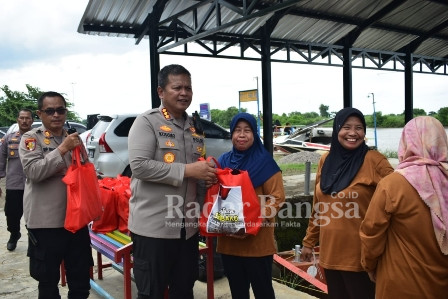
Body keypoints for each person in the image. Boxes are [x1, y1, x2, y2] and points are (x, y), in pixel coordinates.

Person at [127, 64, 217, 299]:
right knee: (151, 294)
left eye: (188, 87)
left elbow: (195, 174)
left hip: (186, 230)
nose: (184, 93)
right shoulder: (147, 122)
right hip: (154, 231)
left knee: (184, 291)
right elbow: (139, 166)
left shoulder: (195, 128)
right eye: (177, 87)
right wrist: (189, 170)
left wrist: (206, 176)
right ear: (161, 92)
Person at [300, 107, 394, 299]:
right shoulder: (326, 160)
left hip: (361, 259)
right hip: (329, 255)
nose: (353, 133)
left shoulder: (375, 161)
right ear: (337, 130)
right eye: (346, 127)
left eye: (359, 128)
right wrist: (309, 242)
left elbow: (398, 197)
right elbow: (319, 206)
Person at [360, 116, 448, 298]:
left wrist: (369, 265)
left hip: (400, 285)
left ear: (406, 142)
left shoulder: (393, 184)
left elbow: (372, 232)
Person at [19, 91, 92, 298]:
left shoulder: (73, 138)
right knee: (48, 282)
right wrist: (61, 150)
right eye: (50, 111)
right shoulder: (31, 138)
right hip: (46, 223)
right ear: (40, 114)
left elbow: (84, 170)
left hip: (76, 220)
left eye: (60, 110)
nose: (56, 115)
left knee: (80, 281)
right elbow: (34, 171)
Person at [216, 112, 285, 299]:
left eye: (247, 130)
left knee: (263, 292)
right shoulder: (222, 162)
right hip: (229, 241)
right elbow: (216, 196)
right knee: (238, 293)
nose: (242, 135)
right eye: (237, 130)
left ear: (255, 134)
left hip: (257, 244)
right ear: (231, 134)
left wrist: (252, 221)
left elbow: (277, 198)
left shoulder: (265, 163)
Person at [0, 108, 34, 251]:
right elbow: (1, 160)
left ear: (32, 120)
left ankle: (33, 240)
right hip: (14, 184)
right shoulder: (8, 138)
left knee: (33, 214)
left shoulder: (39, 138)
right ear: (17, 120)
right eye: (22, 118)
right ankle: (14, 234)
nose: (25, 120)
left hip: (33, 184)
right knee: (11, 214)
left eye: (27, 118)